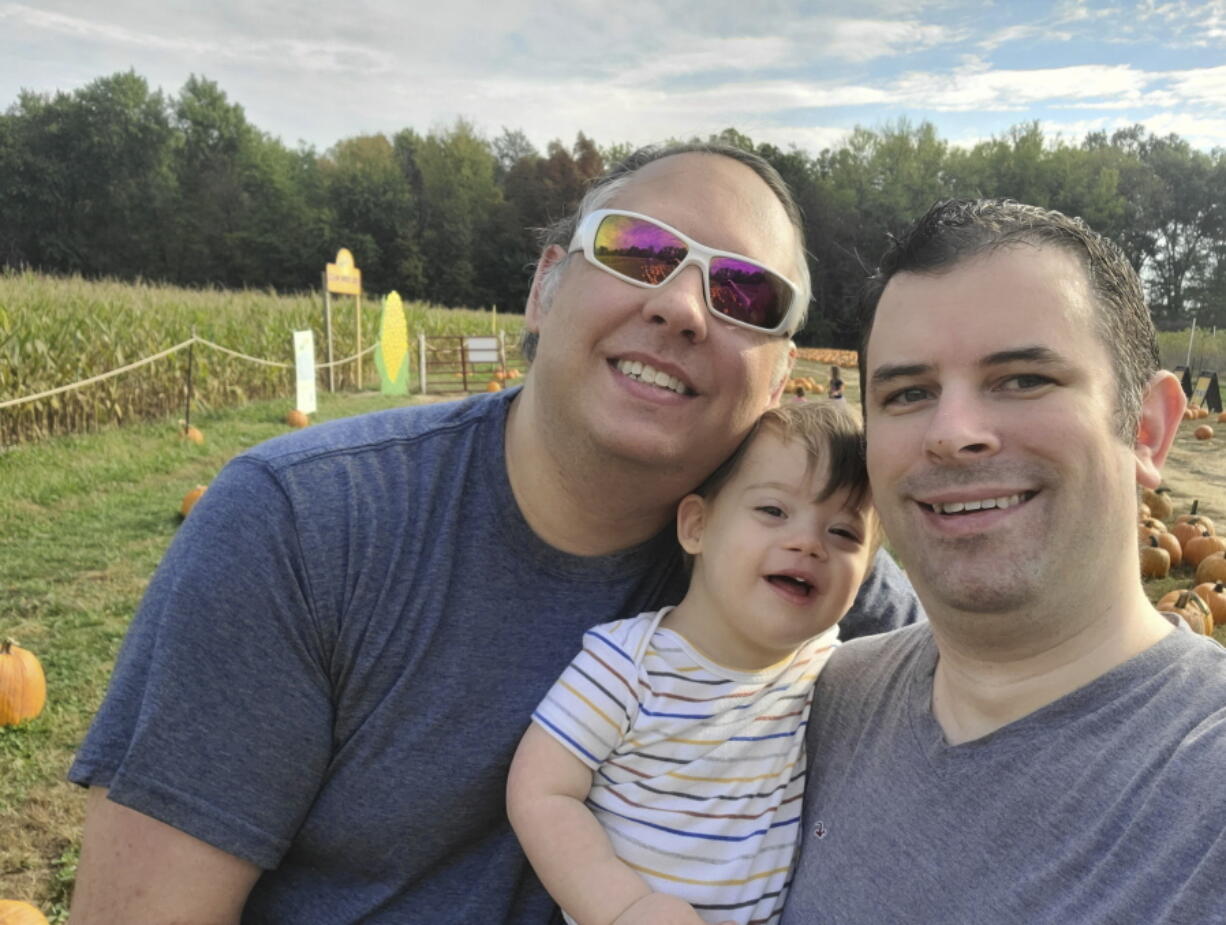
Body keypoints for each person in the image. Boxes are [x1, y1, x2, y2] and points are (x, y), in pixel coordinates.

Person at [66, 143, 923, 923]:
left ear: (781, 374)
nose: (681, 307)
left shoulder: (816, 576)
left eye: (743, 292)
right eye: (638, 250)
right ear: (545, 288)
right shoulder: (302, 526)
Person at [782, 198, 1226, 924]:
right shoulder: (828, 700)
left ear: (1147, 428)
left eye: (1023, 378)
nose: (953, 433)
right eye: (909, 392)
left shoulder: (1205, 800)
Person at [508, 401, 877, 925]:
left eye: (844, 533)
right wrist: (623, 907)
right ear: (698, 526)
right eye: (773, 510)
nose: (808, 543)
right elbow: (540, 791)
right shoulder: (628, 663)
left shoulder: (829, 668)